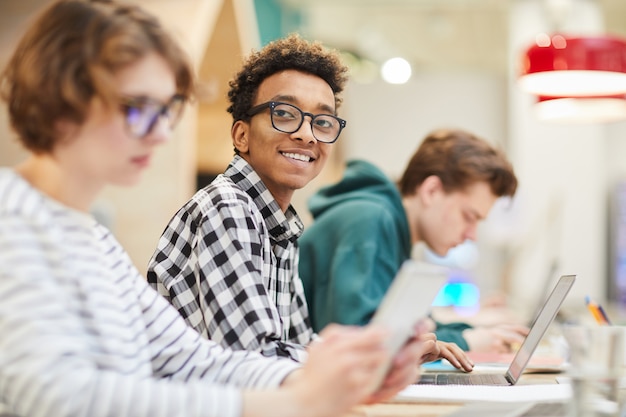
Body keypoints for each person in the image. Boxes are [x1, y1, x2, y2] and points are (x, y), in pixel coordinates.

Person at [0, 1, 427, 416]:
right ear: (64, 100)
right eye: (141, 109)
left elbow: (195, 360)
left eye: (168, 111)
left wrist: (339, 376)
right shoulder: (11, 218)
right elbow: (59, 398)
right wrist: (299, 398)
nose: (161, 134)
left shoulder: (93, 238)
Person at [146, 34, 472, 371]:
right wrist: (369, 360)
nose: (307, 134)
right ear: (241, 135)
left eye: (323, 121)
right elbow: (257, 360)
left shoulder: (280, 226)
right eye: (285, 114)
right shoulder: (228, 208)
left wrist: (388, 355)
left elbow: (300, 345)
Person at [298, 129, 530, 353]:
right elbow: (361, 343)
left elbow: (408, 329)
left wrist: (476, 331)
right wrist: (467, 341)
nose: (472, 235)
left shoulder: (390, 226)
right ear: (431, 191)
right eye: (469, 217)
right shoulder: (371, 219)